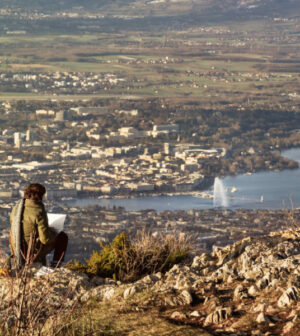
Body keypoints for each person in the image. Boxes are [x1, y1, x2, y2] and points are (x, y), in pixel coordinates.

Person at [10, 183, 68, 268]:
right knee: (62, 237)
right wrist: (53, 232)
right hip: (31, 251)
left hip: (16, 249)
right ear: (40, 196)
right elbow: (45, 240)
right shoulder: (38, 209)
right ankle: (56, 265)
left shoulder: (16, 208)